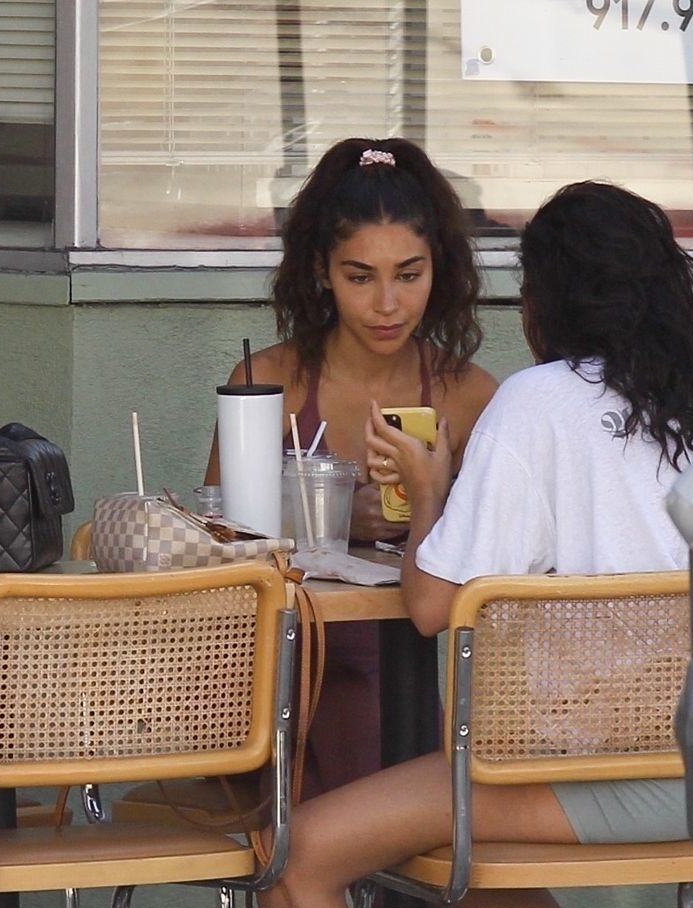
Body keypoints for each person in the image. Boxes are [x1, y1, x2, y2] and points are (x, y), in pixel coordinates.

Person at [182, 181, 693, 908]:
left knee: (301, 851)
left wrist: (429, 489)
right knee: (418, 838)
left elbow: (430, 604)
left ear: (545, 300)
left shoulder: (534, 404)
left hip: (591, 767)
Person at [207, 137, 498, 799]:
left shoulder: (470, 394)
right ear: (321, 270)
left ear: (440, 267)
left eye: (409, 274)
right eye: (360, 277)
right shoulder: (267, 383)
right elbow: (218, 545)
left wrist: (430, 501)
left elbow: (499, 563)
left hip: (411, 684)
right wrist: (332, 517)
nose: (387, 304)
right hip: (270, 683)